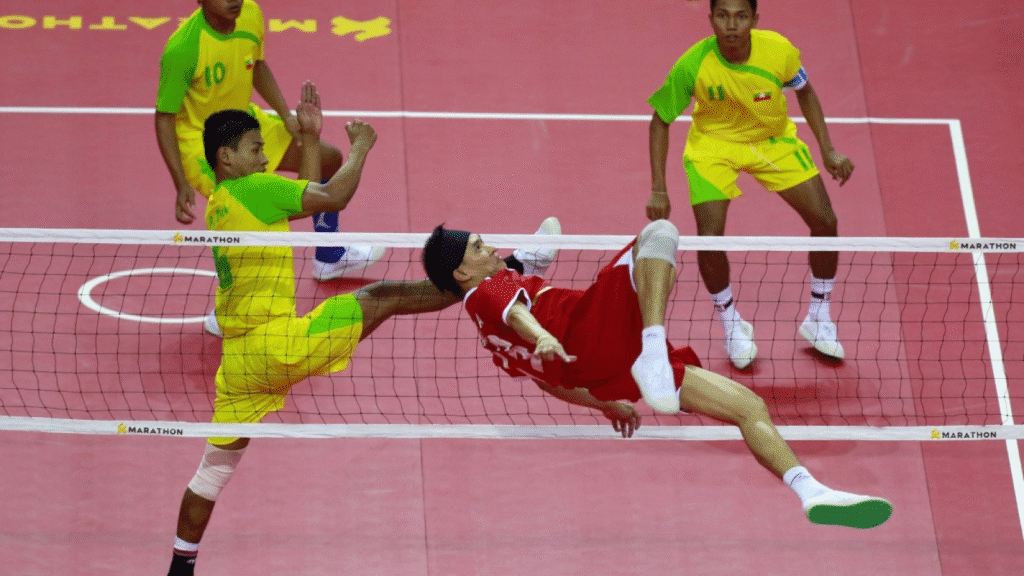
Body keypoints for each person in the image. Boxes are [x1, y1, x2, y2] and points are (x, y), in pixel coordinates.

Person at [422, 218, 892, 529]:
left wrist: (607, 403)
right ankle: (651, 346)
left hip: (602, 374)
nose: (490, 247)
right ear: (461, 272)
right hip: (591, 331)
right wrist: (542, 333)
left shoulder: (488, 335)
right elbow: (516, 314)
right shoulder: (487, 292)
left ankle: (810, 492)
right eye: (480, 246)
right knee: (659, 234)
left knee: (750, 407)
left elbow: (552, 382)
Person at [165, 83, 460, 576]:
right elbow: (332, 193)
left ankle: (180, 566)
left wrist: (309, 140)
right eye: (255, 149)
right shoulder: (255, 190)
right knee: (382, 295)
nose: (263, 158)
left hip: (238, 364)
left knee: (212, 472)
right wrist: (361, 146)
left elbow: (301, 200)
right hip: (278, 346)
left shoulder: (223, 199)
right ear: (227, 156)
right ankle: (487, 281)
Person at [646, 0, 854, 369]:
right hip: (714, 147)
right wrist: (659, 188)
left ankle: (818, 316)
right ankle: (731, 323)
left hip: (771, 141)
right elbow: (660, 120)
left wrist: (828, 149)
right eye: (723, 15)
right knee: (709, 238)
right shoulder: (692, 64)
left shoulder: (779, 50)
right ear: (711, 19)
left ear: (754, 20)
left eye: (741, 16)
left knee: (826, 221)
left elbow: (804, 90)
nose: (731, 25)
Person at [154, 0, 382, 312]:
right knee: (247, 213)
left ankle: (329, 257)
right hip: (203, 142)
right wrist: (180, 181)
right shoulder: (183, 50)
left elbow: (256, 66)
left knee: (328, 158)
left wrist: (285, 115)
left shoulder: (250, 14)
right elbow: (165, 117)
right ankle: (230, 306)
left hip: (245, 122)